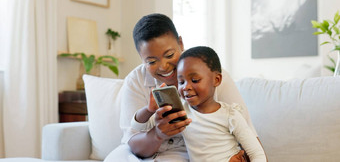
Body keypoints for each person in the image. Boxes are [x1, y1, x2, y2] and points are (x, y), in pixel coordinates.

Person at [109, 13, 259, 161]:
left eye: (169, 55)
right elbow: (133, 136)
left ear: (180, 43)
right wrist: (157, 134)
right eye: (152, 61)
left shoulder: (211, 75)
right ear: (141, 58)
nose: (163, 67)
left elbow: (249, 138)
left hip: (193, 154)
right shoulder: (135, 81)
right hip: (142, 154)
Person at [176, 46, 266, 161]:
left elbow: (256, 153)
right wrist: (149, 109)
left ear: (216, 80)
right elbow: (147, 125)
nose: (186, 87)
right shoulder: (180, 112)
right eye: (181, 82)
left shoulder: (230, 115)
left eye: (195, 80)